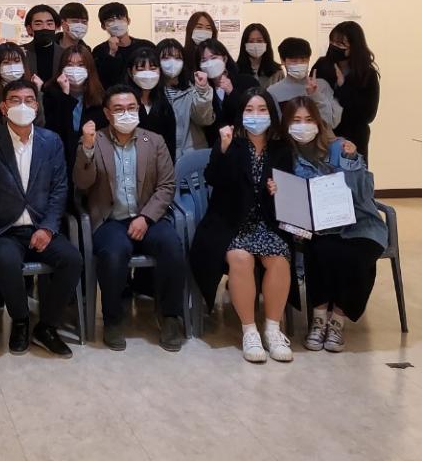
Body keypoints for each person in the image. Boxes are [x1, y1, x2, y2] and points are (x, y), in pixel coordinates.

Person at [0, 80, 82, 357]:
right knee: (6, 260)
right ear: (4, 107)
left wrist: (48, 228)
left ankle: (47, 326)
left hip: (41, 226)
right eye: (15, 100)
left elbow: (60, 188)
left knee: (72, 259)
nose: (22, 105)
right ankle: (21, 320)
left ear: (36, 106)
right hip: (4, 230)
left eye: (28, 100)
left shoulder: (51, 141)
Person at [73, 85, 184, 351]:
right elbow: (81, 183)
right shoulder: (93, 140)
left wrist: (146, 218)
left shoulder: (154, 141)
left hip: (148, 217)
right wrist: (87, 148)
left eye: (131, 108)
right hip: (110, 220)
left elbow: (166, 186)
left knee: (171, 245)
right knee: (113, 252)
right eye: (119, 109)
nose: (126, 113)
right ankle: (112, 319)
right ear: (107, 113)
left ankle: (170, 316)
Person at [189, 88, 295, 363]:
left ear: (271, 115)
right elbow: (214, 178)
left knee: (279, 257)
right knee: (240, 258)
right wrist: (223, 150)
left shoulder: (282, 148)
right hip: (230, 222)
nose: (256, 115)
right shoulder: (230, 143)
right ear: (240, 115)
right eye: (249, 110)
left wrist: (277, 190)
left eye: (262, 110)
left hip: (267, 222)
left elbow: (289, 190)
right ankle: (250, 331)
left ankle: (273, 330)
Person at [282, 97, 386, 352]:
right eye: (296, 120)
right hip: (319, 227)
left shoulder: (340, 147)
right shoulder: (285, 156)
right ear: (286, 125)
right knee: (321, 250)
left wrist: (351, 162)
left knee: (356, 256)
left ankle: (337, 320)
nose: (303, 126)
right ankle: (319, 319)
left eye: (309, 120)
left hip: (360, 223)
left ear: (319, 123)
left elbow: (363, 194)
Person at [311, 21, 380, 158]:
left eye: (341, 44)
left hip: (353, 138)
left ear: (354, 47)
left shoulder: (367, 74)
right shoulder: (322, 65)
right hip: (324, 135)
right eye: (332, 42)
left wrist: (343, 87)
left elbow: (368, 115)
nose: (334, 47)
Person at [42, 46, 107, 174]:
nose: (75, 69)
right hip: (59, 160)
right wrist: (65, 95)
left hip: (90, 160)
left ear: (89, 68)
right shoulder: (50, 92)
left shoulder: (99, 96)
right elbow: (55, 130)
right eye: (70, 65)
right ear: (62, 68)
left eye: (81, 65)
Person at [268, 37, 342, 128]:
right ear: (283, 61)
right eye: (294, 61)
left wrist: (315, 95)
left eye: (303, 60)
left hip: (318, 136)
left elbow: (331, 122)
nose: (299, 64)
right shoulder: (273, 91)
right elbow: (274, 126)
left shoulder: (322, 85)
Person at [156, 38, 214, 154]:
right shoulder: (152, 92)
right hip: (162, 154)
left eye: (177, 58)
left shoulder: (192, 88)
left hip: (191, 155)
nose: (172, 62)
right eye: (166, 58)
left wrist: (202, 91)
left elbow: (204, 120)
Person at [196, 39, 259, 141]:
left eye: (213, 58)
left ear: (224, 59)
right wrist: (203, 90)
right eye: (204, 60)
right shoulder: (201, 88)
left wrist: (232, 92)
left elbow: (254, 114)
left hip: (244, 142)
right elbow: (203, 121)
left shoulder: (247, 81)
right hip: (214, 145)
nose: (209, 63)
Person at [126, 46, 178, 162]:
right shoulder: (124, 102)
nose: (147, 73)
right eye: (141, 69)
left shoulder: (164, 104)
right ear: (130, 72)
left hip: (159, 165)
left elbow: (170, 143)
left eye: (153, 68)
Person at [91, 2, 150, 88]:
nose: (116, 23)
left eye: (120, 18)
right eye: (110, 20)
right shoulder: (99, 51)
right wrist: (112, 53)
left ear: (128, 20)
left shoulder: (145, 46)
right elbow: (102, 80)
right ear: (103, 26)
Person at [0, 42, 45, 124]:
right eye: (6, 62)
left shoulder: (32, 88)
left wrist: (37, 92)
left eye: (17, 61)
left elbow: (39, 123)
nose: (12, 66)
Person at [21, 4, 63, 83]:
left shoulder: (65, 54)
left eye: (49, 24)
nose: (45, 27)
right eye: (38, 24)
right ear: (29, 29)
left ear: (56, 27)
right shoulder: (20, 53)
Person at [236, 23, 283, 90]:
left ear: (266, 43)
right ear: (244, 44)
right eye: (251, 41)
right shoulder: (236, 70)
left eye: (259, 41)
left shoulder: (277, 72)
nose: (255, 44)